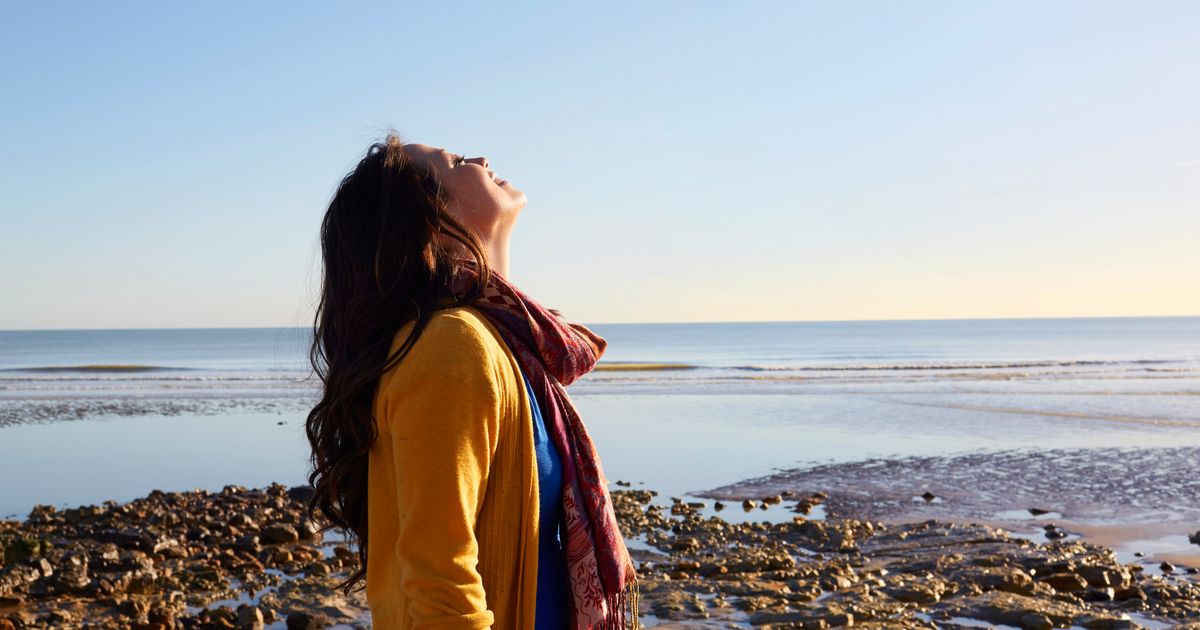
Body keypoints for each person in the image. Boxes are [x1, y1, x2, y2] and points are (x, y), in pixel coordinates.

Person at [303, 132, 639, 630]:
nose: (482, 158)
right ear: (429, 224)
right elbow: (442, 579)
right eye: (457, 161)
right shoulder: (450, 346)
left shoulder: (501, 343)